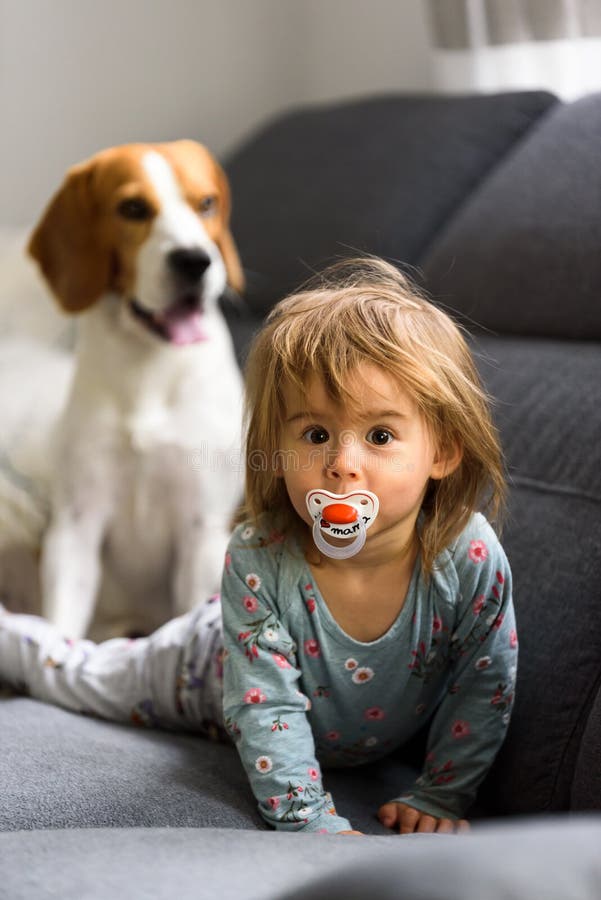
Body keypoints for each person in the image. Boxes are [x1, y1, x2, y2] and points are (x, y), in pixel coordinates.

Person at [0, 257, 517, 835]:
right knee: (84, 674)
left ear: (442, 452)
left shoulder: (468, 558)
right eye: (316, 435)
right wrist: (307, 819)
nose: (343, 465)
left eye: (380, 435)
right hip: (202, 669)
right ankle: (13, 639)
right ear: (278, 445)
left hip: (354, 734)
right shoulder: (259, 555)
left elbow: (485, 681)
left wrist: (443, 795)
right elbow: (264, 706)